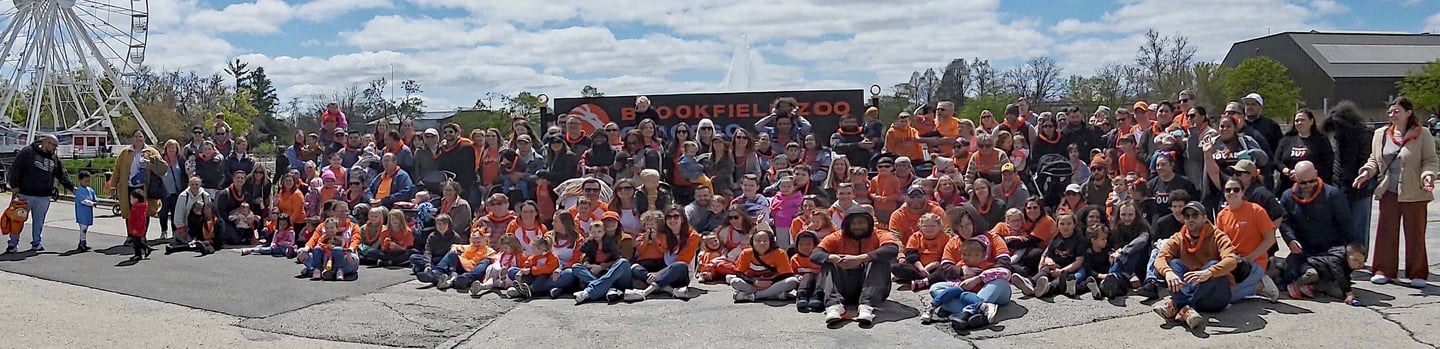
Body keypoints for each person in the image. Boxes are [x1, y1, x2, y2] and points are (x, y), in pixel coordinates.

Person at [1354, 97, 1438, 287]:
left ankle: (1417, 273)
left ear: (1409, 112)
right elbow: (1374, 160)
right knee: (1386, 232)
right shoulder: (1381, 134)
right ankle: (1383, 270)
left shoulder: (1422, 133)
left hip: (1414, 191)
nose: (1392, 115)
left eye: (1397, 111)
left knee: (1416, 232)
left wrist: (1428, 175)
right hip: (1389, 191)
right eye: (1390, 112)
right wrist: (1366, 172)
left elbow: (1430, 160)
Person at [1152, 202, 1273, 330]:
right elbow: (1160, 258)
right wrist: (1168, 273)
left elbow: (1231, 260)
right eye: (1187, 216)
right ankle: (1186, 310)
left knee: (1213, 264)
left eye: (1195, 215)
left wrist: (1209, 272)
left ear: (1204, 218)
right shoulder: (1179, 237)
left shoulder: (1218, 236)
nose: (1190, 219)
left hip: (1215, 294)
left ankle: (1178, 304)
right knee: (1174, 264)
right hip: (1195, 287)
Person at [1278, 161, 1356, 299]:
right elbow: (1284, 223)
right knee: (1289, 273)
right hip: (1304, 250)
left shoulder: (1333, 195)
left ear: (1316, 174)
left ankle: (1317, 282)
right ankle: (1311, 278)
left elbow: (1346, 225)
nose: (1307, 186)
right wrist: (1291, 240)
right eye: (1303, 183)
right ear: (1295, 178)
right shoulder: (1287, 196)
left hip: (1330, 249)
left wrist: (1350, 251)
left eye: (1311, 181)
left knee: (1338, 278)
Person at [811, 210, 898, 327]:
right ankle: (833, 306)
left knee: (879, 260)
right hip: (845, 287)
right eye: (854, 223)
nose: (858, 226)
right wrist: (834, 258)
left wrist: (861, 258)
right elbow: (815, 255)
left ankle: (866, 307)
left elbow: (892, 249)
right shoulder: (837, 236)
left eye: (861, 222)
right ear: (847, 224)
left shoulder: (879, 234)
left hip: (873, 288)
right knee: (828, 261)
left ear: (869, 223)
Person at [5, 134, 75, 253]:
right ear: (45, 142)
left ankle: (36, 243)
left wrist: (72, 187)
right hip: (25, 194)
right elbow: (15, 169)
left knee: (39, 222)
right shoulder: (28, 152)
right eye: (52, 145)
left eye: (56, 146)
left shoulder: (54, 158)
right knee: (17, 219)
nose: (54, 148)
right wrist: (15, 187)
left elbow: (61, 174)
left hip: (44, 196)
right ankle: (13, 243)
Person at [1322, 102, 1374, 247]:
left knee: (1359, 225)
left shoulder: (1364, 135)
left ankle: (1359, 254)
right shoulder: (1339, 139)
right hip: (1340, 186)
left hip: (1360, 187)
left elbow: (1366, 160)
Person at [572, 221, 633, 305]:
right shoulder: (590, 243)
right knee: (576, 267)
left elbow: (617, 258)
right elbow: (583, 252)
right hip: (596, 272)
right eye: (593, 232)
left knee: (623, 262)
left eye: (599, 232)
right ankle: (610, 289)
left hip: (610, 272)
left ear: (604, 232)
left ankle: (589, 292)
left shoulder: (609, 243)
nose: (596, 234)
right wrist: (587, 263)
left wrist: (601, 267)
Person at [1275, 109, 1335, 191]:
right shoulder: (1286, 140)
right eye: (1297, 121)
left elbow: (1327, 163)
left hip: (1312, 187)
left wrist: (1304, 174)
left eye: (1303, 120)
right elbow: (1277, 161)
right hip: (1287, 186)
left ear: (1311, 121)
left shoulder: (1321, 140)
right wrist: (1286, 171)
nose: (1299, 123)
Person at [72, 171, 98, 252]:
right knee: (83, 227)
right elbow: (83, 201)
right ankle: (82, 242)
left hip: (88, 212)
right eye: (85, 181)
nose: (87, 183)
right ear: (80, 180)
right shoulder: (79, 190)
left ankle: (83, 242)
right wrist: (92, 203)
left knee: (86, 227)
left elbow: (94, 197)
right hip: (81, 212)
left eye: (88, 181)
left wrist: (96, 201)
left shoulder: (90, 190)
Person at [126, 189, 153, 261]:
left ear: (136, 199)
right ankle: (143, 250)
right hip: (135, 228)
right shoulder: (137, 208)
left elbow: (140, 220)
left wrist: (136, 229)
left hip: (137, 229)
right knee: (137, 241)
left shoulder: (137, 208)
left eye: (131, 199)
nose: (130, 200)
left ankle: (140, 253)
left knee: (137, 242)